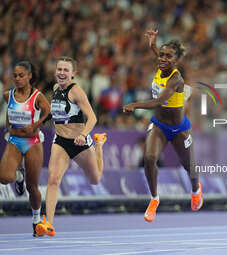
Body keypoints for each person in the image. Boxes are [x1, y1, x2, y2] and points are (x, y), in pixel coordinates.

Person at [123, 30, 203, 222]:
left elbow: (158, 101)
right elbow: (157, 53)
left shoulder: (176, 79)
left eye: (169, 56)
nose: (163, 58)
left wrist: (135, 104)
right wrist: (152, 44)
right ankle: (154, 199)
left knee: (189, 165)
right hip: (159, 125)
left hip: (179, 129)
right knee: (150, 158)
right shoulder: (161, 63)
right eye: (161, 55)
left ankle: (195, 190)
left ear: (176, 61)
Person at [35, 56, 107, 236]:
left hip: (79, 142)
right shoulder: (54, 88)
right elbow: (56, 112)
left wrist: (84, 135)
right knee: (53, 179)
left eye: (66, 70)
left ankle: (99, 144)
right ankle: (48, 223)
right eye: (59, 69)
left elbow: (93, 118)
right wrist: (41, 121)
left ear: (73, 74)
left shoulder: (77, 92)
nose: (61, 73)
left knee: (95, 180)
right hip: (60, 141)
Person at [0, 61, 50, 236]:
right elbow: (9, 112)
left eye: (21, 75)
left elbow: (48, 112)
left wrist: (35, 125)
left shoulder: (37, 97)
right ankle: (18, 176)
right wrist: (8, 128)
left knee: (32, 187)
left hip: (32, 142)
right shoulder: (8, 95)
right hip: (14, 140)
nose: (17, 79)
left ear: (29, 76)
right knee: (4, 177)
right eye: (15, 75)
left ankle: (36, 220)